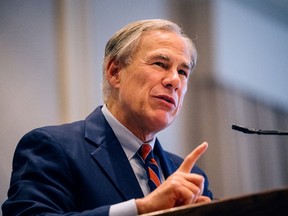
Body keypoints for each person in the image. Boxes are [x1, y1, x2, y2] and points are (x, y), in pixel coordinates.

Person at [2, 19, 213, 216]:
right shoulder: (53, 148)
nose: (174, 80)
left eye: (183, 72)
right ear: (115, 72)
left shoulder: (191, 177)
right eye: (160, 64)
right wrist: (141, 208)